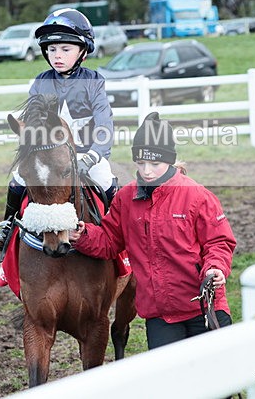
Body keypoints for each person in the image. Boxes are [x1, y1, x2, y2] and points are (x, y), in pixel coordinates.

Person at [69, 112, 237, 350]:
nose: (146, 171)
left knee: (220, 382)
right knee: (168, 383)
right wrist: (82, 234)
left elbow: (219, 242)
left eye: (154, 164)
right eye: (140, 163)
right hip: (160, 315)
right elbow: (109, 241)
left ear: (169, 161)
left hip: (204, 306)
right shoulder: (126, 198)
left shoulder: (197, 196)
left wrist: (215, 268)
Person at [0, 8, 117, 251]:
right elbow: (33, 121)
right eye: (52, 49)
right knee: (17, 179)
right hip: (48, 155)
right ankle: (7, 226)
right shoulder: (41, 82)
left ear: (83, 52)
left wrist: (95, 154)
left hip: (86, 154)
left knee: (107, 181)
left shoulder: (94, 81)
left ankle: (117, 232)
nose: (57, 55)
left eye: (65, 49)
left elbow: (104, 122)